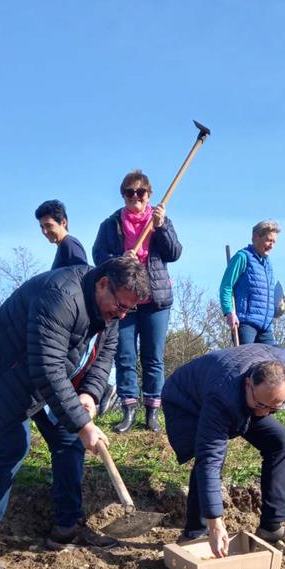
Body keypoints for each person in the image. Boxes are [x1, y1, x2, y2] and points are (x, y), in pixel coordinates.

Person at [0, 257, 150, 569]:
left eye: (128, 310)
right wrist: (83, 424)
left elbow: (104, 359)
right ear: (103, 283)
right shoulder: (60, 296)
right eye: (119, 305)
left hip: (42, 373)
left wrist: (88, 395)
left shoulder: (112, 312)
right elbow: (46, 369)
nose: (121, 314)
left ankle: (67, 527)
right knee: (13, 445)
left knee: (67, 439)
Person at [162, 345, 285, 557]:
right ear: (248, 383)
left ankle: (272, 526)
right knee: (208, 457)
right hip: (187, 401)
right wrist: (216, 523)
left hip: (237, 398)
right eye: (262, 405)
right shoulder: (221, 398)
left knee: (280, 441)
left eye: (274, 408)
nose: (264, 413)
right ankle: (195, 532)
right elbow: (209, 461)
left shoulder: (277, 364)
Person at [92, 170, 182, 434]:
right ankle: (128, 409)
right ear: (123, 195)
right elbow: (99, 256)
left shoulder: (159, 220)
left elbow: (174, 253)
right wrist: (120, 259)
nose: (135, 197)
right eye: (129, 192)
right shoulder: (111, 225)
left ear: (149, 194)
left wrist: (162, 226)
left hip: (156, 299)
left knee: (153, 356)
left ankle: (152, 412)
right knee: (125, 355)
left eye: (140, 192)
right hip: (124, 300)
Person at [220, 221, 281, 345]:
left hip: (266, 327)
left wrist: (279, 304)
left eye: (274, 242)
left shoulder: (268, 264)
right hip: (246, 323)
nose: (271, 245)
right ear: (256, 237)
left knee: (275, 361)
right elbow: (226, 286)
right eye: (269, 240)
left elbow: (265, 296)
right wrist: (229, 312)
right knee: (247, 361)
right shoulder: (242, 257)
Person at [36, 199, 88, 269]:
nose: (45, 231)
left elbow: (82, 275)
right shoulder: (63, 246)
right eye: (42, 227)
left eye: (48, 225)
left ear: (63, 222)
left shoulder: (69, 244)